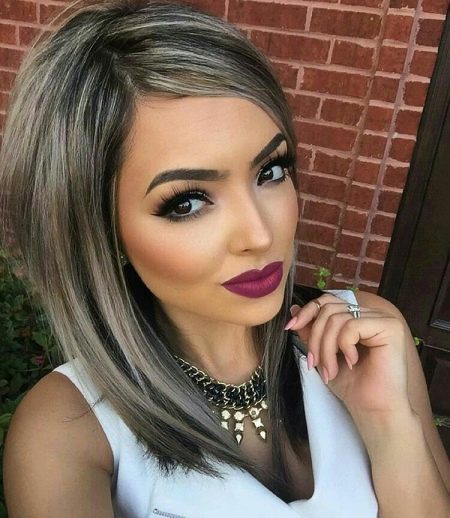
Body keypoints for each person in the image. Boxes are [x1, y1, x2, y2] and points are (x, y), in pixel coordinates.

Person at [1, 1, 449, 516]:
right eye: (187, 202)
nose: (260, 235)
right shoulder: (69, 431)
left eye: (270, 172)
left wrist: (391, 426)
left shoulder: (369, 337)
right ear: (100, 231)